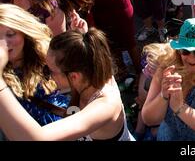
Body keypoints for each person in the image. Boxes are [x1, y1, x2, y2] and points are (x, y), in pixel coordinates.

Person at [0, 24, 135, 141]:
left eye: (49, 70)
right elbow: (93, 52)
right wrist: (81, 40)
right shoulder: (90, 73)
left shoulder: (105, 106)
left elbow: (35, 138)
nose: (46, 76)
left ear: (74, 76)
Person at [0, 4, 69, 126]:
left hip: (69, 128)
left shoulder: (48, 57)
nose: (4, 43)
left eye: (10, 34)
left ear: (24, 32)